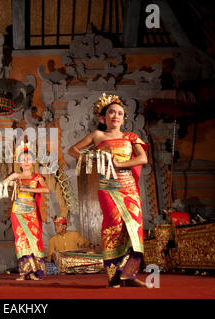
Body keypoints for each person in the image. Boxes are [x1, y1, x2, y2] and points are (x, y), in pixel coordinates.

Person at [68, 93, 148, 288]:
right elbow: (73, 151)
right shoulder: (98, 136)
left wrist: (120, 164)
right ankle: (113, 276)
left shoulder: (131, 137)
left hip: (129, 186)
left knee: (134, 228)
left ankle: (128, 274)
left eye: (120, 113)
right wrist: (94, 158)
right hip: (109, 186)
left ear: (123, 118)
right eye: (111, 112)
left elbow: (143, 159)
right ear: (102, 117)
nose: (116, 116)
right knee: (114, 226)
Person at [1, 143, 49, 281]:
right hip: (18, 211)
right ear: (19, 162)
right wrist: (9, 181)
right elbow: (0, 186)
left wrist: (28, 190)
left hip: (31, 210)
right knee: (21, 239)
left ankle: (34, 271)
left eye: (29, 159)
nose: (26, 162)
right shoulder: (16, 176)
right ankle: (24, 272)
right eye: (23, 159)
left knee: (33, 239)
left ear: (33, 161)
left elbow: (46, 190)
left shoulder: (37, 177)